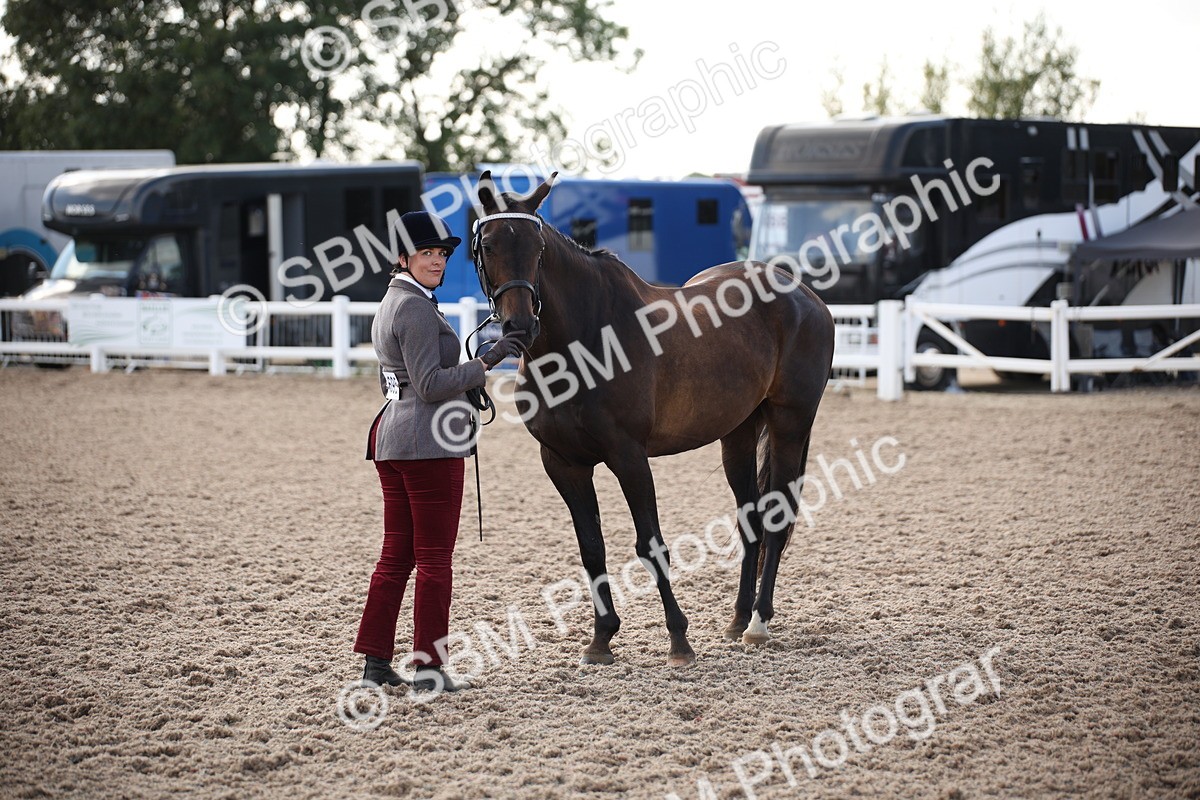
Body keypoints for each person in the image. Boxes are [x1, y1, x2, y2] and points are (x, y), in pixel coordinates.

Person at [354, 210, 524, 693]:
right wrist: (489, 359)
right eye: (426, 253)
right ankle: (429, 667)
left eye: (441, 253)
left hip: (393, 437)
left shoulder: (395, 301)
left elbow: (404, 379)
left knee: (396, 558)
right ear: (402, 257)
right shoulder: (412, 307)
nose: (436, 261)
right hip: (427, 443)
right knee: (433, 561)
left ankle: (375, 663)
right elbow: (430, 385)